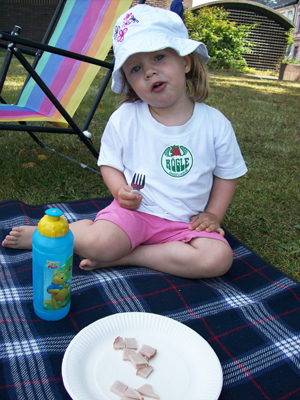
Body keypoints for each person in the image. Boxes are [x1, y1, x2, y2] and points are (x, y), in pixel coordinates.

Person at [2, 5, 247, 279]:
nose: (150, 72)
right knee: (100, 243)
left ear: (186, 61)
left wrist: (213, 214)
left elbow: (227, 175)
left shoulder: (215, 124)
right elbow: (109, 163)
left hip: (186, 224)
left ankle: (126, 256)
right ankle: (52, 233)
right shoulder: (127, 118)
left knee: (218, 259)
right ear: (129, 81)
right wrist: (120, 191)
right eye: (136, 68)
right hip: (136, 213)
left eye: (159, 57)